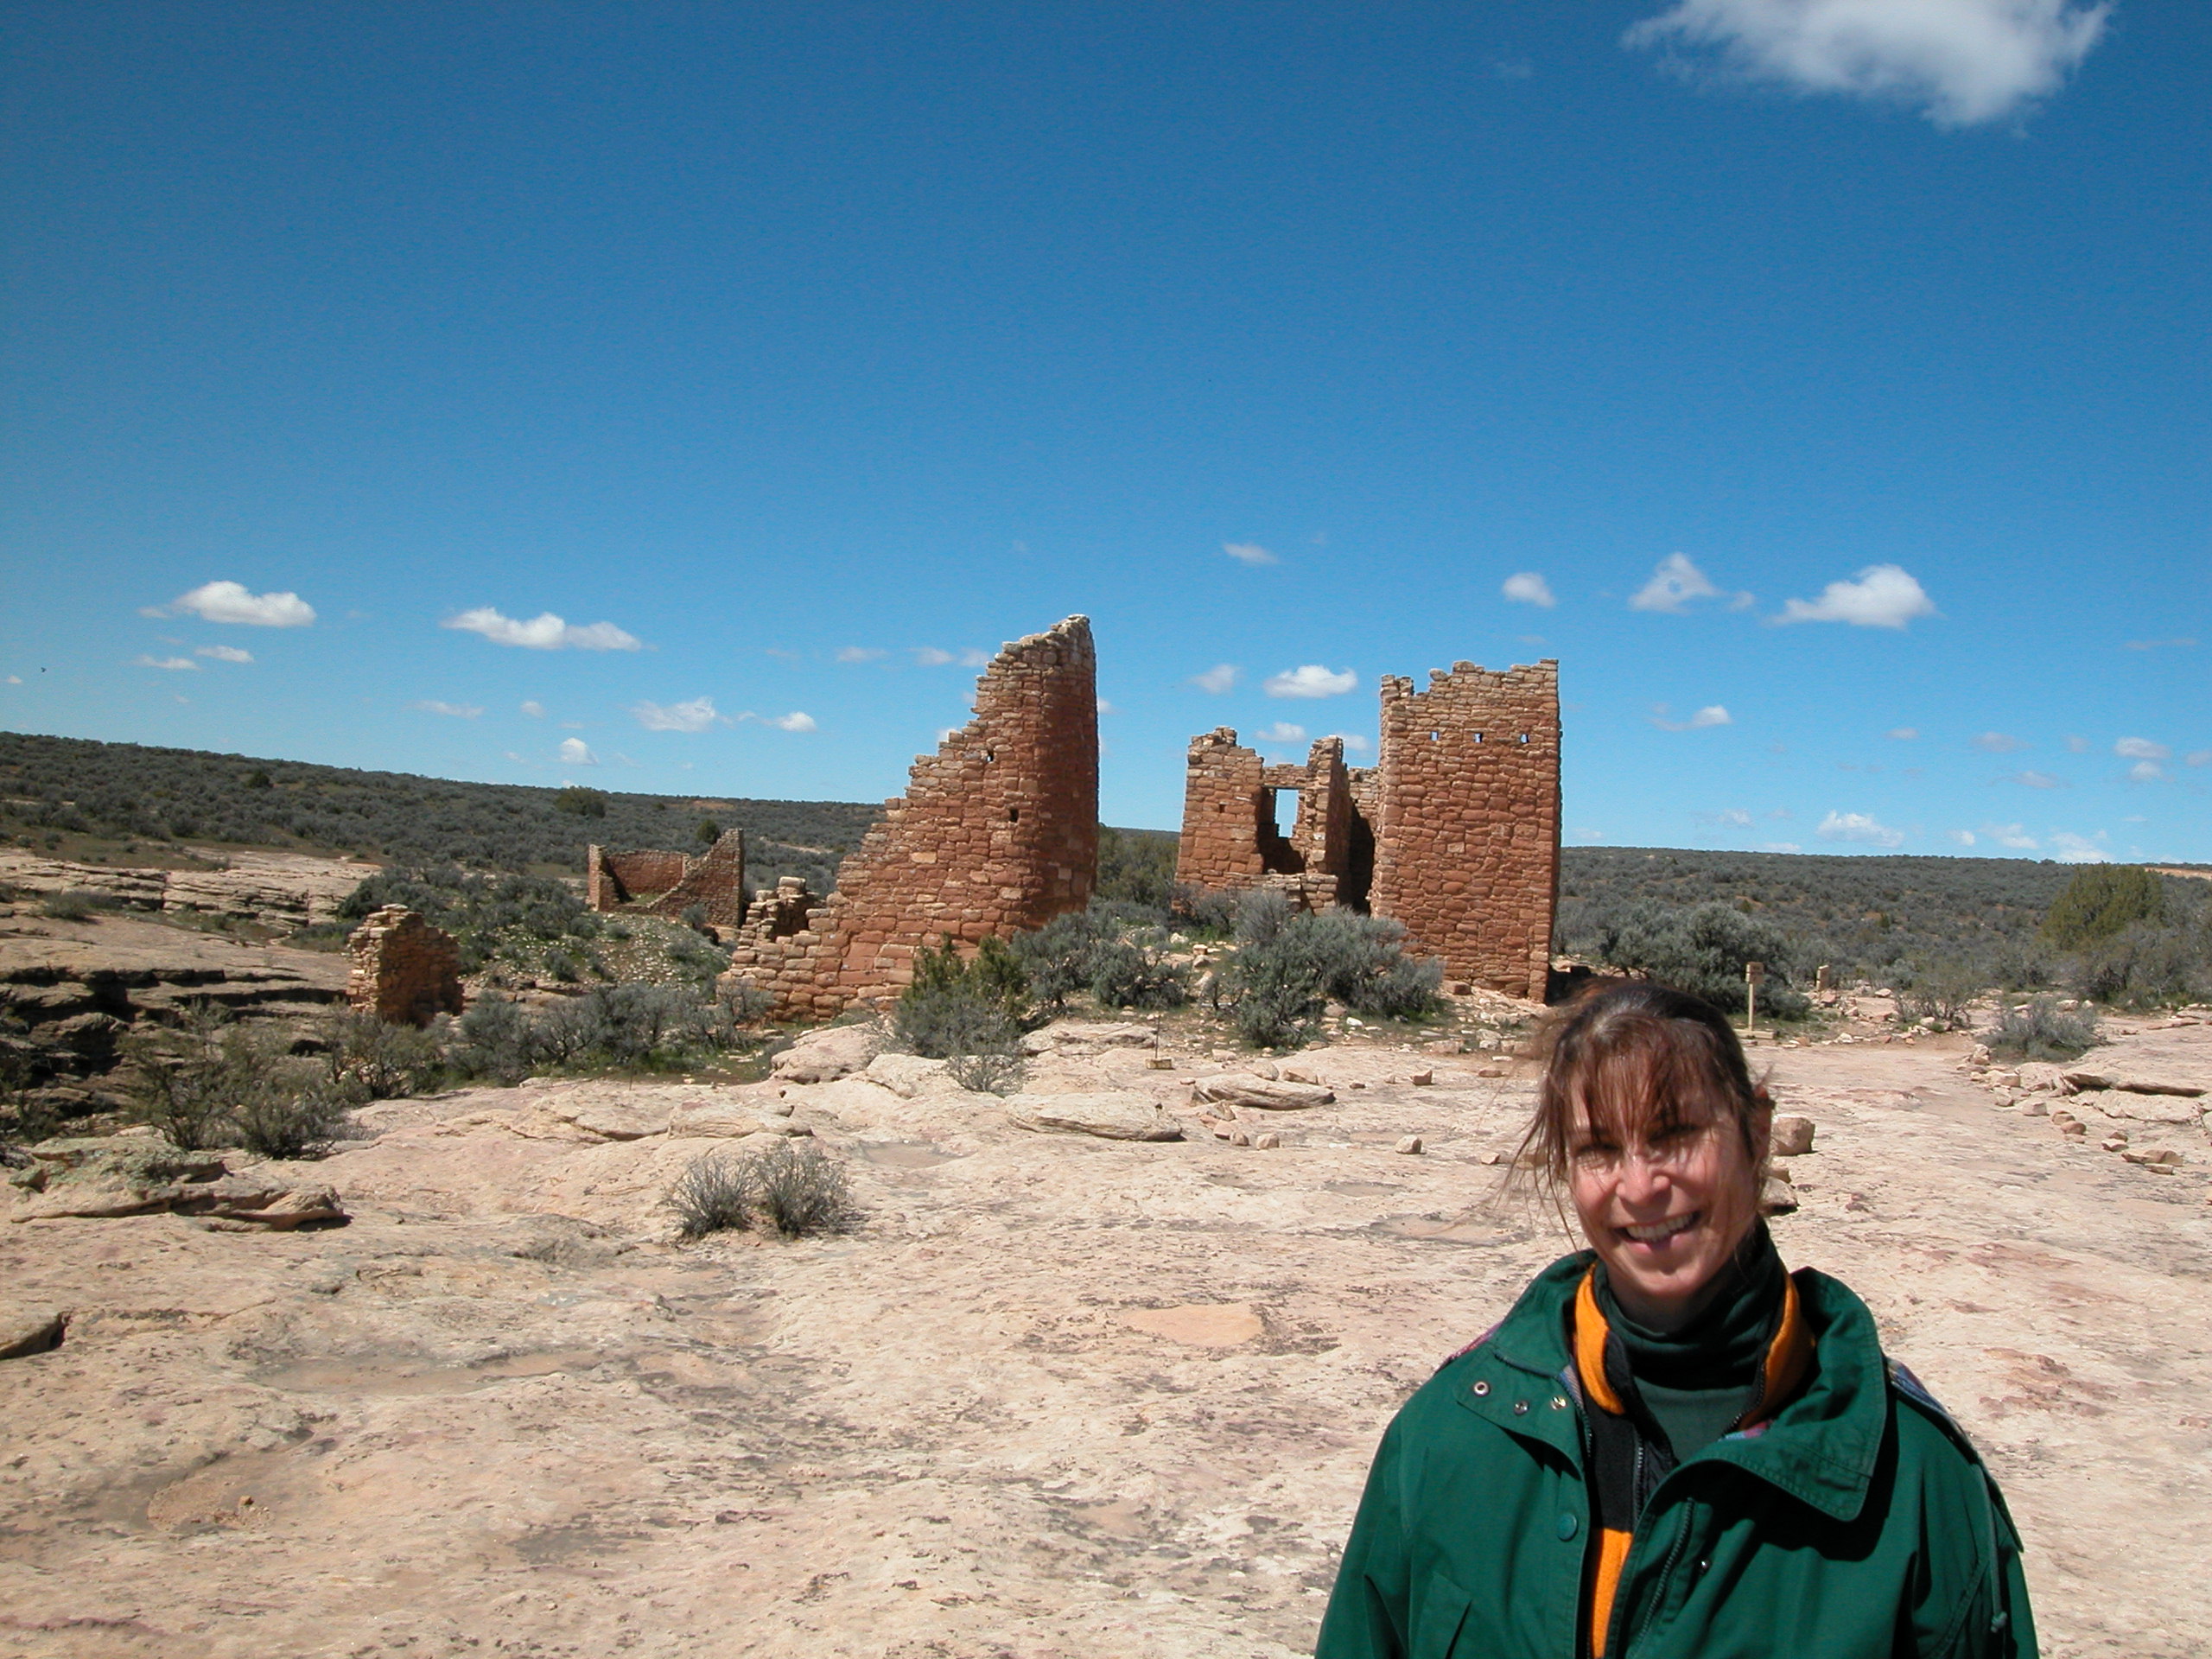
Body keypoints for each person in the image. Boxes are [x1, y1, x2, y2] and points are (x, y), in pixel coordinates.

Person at [1315, 980, 2036, 1659]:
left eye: (1675, 1134)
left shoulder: (1911, 1478)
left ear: (1756, 1134)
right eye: (1600, 1150)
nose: (1640, 1187)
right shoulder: (1456, 1436)